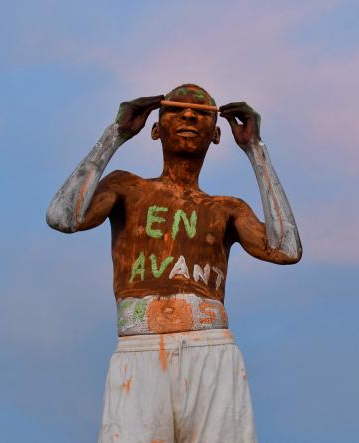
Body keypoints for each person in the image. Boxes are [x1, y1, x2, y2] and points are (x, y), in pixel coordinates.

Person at [47, 84, 301, 443]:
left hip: (211, 346)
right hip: (140, 345)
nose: (188, 115)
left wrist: (255, 150)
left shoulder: (227, 208)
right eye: (176, 109)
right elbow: (63, 217)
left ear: (216, 134)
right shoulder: (126, 187)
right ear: (154, 128)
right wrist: (115, 134)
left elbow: (286, 248)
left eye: (201, 112)